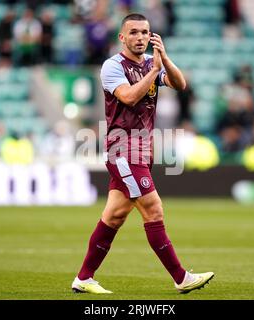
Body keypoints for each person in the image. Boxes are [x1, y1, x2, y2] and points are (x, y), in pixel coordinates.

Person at [71, 13, 214, 294]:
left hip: (143, 149)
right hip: (122, 149)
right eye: (133, 32)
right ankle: (181, 277)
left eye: (145, 32)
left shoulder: (152, 62)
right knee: (153, 209)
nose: (140, 37)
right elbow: (128, 97)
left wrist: (164, 59)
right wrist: (153, 71)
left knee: (114, 216)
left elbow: (180, 84)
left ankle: (84, 278)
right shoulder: (112, 66)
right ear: (122, 37)